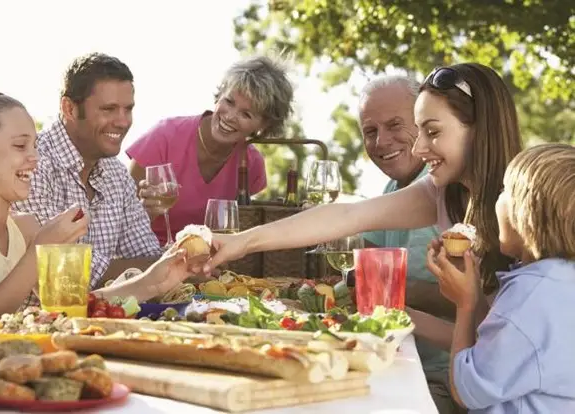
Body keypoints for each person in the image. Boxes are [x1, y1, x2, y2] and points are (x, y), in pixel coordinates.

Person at [203, 62, 522, 357]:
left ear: (480, 129)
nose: (418, 148)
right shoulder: (442, 194)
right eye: (420, 130)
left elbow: (501, 341)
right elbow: (346, 216)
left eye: (433, 132)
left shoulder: (526, 208)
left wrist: (396, 311)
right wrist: (241, 241)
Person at [0, 91, 192, 365]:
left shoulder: (25, 226)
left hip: (10, 374)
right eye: (21, 146)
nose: (34, 158)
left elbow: (73, 308)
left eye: (34, 146)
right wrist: (41, 249)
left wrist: (152, 281)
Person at [427, 143, 575, 412]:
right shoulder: (558, 283)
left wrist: (465, 304)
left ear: (528, 211)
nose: (498, 198)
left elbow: (466, 390)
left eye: (506, 191)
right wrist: (469, 289)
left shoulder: (531, 295)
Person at [13, 53, 163, 293]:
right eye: (109, 109)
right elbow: (62, 274)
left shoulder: (117, 174)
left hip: (102, 325)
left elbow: (147, 253)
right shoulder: (32, 165)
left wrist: (181, 262)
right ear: (69, 108)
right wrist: (164, 269)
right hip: (31, 326)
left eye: (128, 109)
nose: (123, 122)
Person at [358, 74, 460, 413]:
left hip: (437, 380)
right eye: (370, 131)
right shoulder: (394, 188)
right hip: (391, 360)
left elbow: (457, 299)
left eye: (394, 126)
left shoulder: (435, 186)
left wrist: (373, 285)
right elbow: (360, 250)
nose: (381, 141)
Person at [126, 55, 294, 245]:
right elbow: (119, 222)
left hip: (209, 261)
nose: (230, 117)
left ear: (264, 125)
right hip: (147, 254)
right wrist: (147, 211)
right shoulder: (164, 136)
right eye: (229, 102)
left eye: (246, 114)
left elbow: (238, 230)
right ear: (220, 94)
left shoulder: (251, 164)